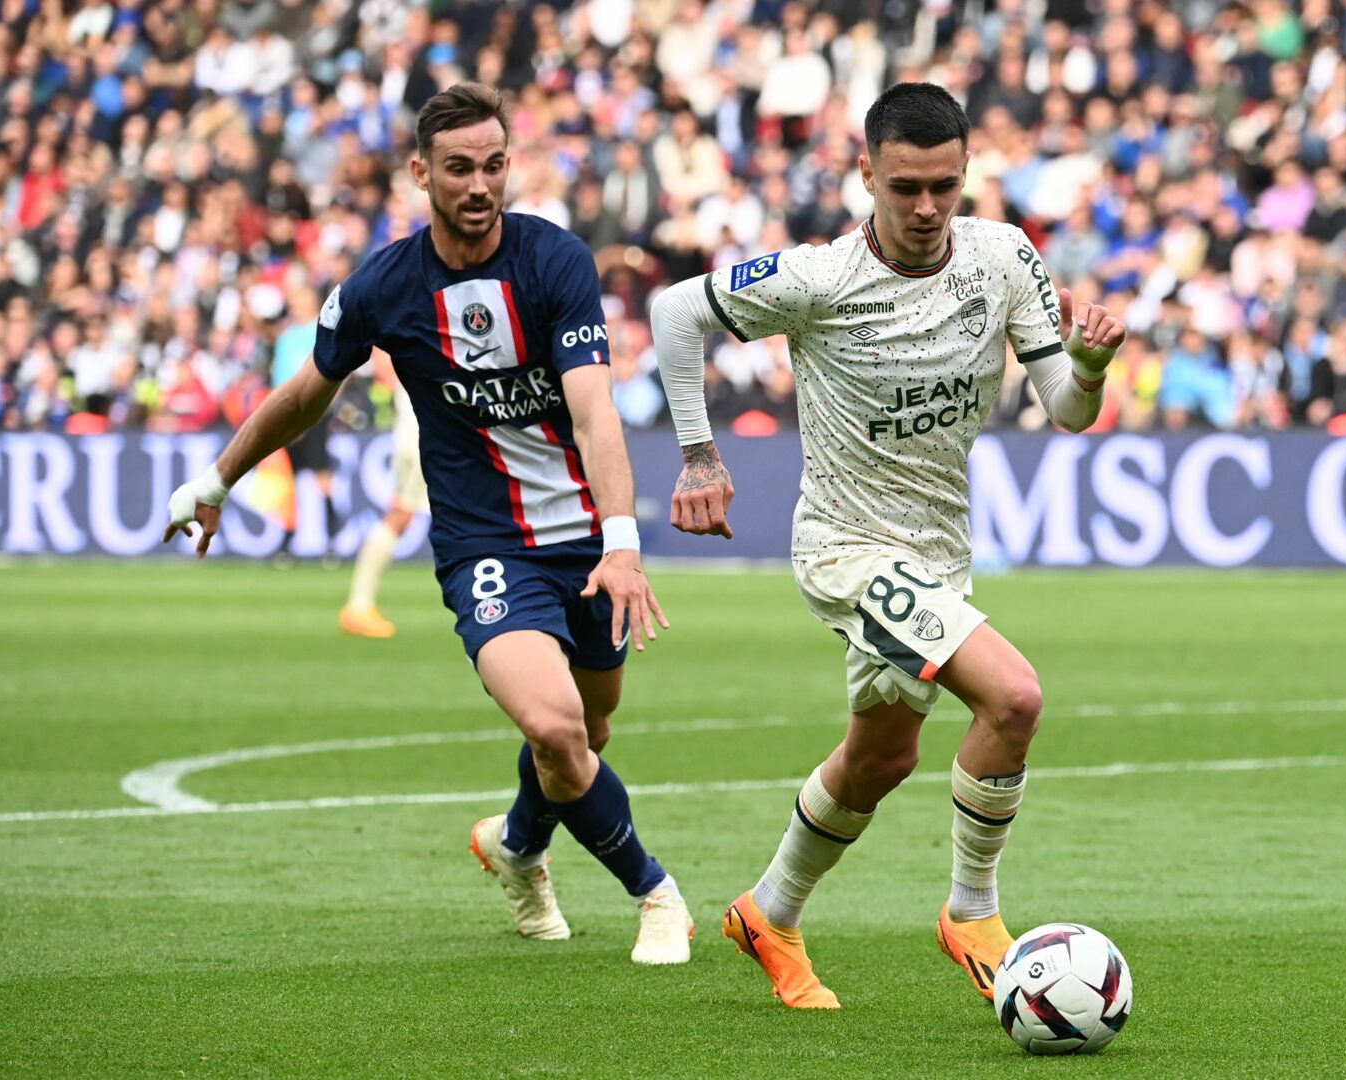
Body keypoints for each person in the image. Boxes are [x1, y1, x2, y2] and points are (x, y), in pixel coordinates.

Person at [165, 83, 692, 965]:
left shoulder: (557, 262)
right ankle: (656, 893)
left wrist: (622, 542)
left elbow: (597, 414)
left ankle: (518, 847)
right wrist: (218, 477)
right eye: (458, 169)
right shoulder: (384, 286)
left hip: (583, 542)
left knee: (587, 734)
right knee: (559, 728)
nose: (479, 185)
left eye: (493, 165)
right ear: (421, 173)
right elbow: (305, 395)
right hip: (485, 547)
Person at [648, 81, 1125, 1008]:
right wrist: (700, 455)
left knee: (882, 759)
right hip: (847, 549)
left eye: (943, 185)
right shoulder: (819, 280)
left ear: (965, 174)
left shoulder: (1001, 258)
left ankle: (767, 913)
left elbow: (1066, 412)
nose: (925, 207)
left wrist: (1093, 364)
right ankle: (973, 910)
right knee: (1015, 698)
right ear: (865, 172)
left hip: (939, 551)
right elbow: (675, 312)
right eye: (904, 185)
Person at [339, 353, 428, 639]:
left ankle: (359, 605)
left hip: (418, 419)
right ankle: (359, 606)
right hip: (421, 424)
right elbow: (379, 346)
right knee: (401, 513)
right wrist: (399, 385)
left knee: (402, 514)